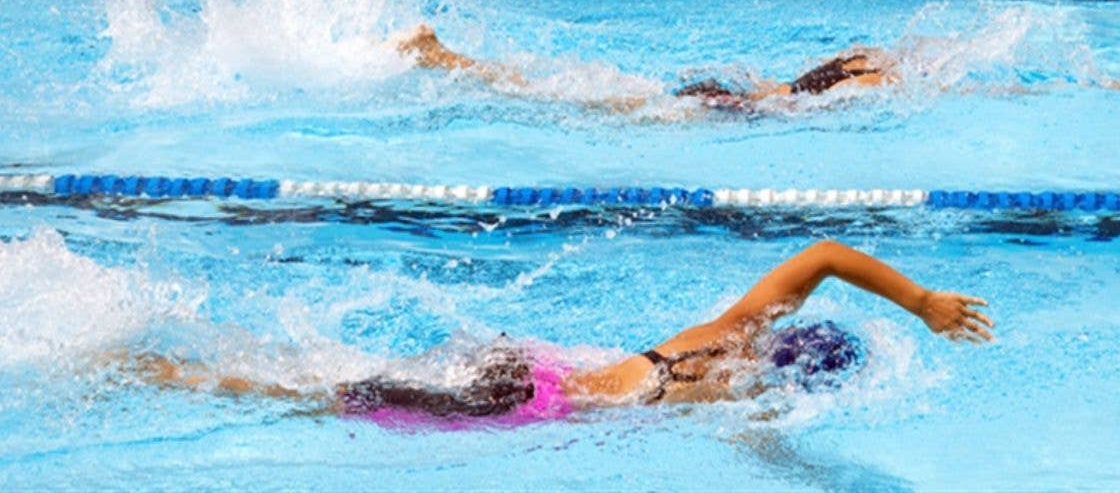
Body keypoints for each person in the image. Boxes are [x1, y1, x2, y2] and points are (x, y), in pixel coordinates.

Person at [119, 241, 992, 424]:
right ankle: (153, 370)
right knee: (307, 398)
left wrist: (920, 301)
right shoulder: (750, 392)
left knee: (328, 373)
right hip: (520, 400)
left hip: (527, 363)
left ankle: (161, 359)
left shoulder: (733, 331)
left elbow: (826, 251)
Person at [398, 23, 897, 112]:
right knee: (568, 99)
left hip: (727, 93)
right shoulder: (876, 81)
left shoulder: (862, 56)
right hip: (724, 108)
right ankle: (442, 59)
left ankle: (446, 57)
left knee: (569, 89)